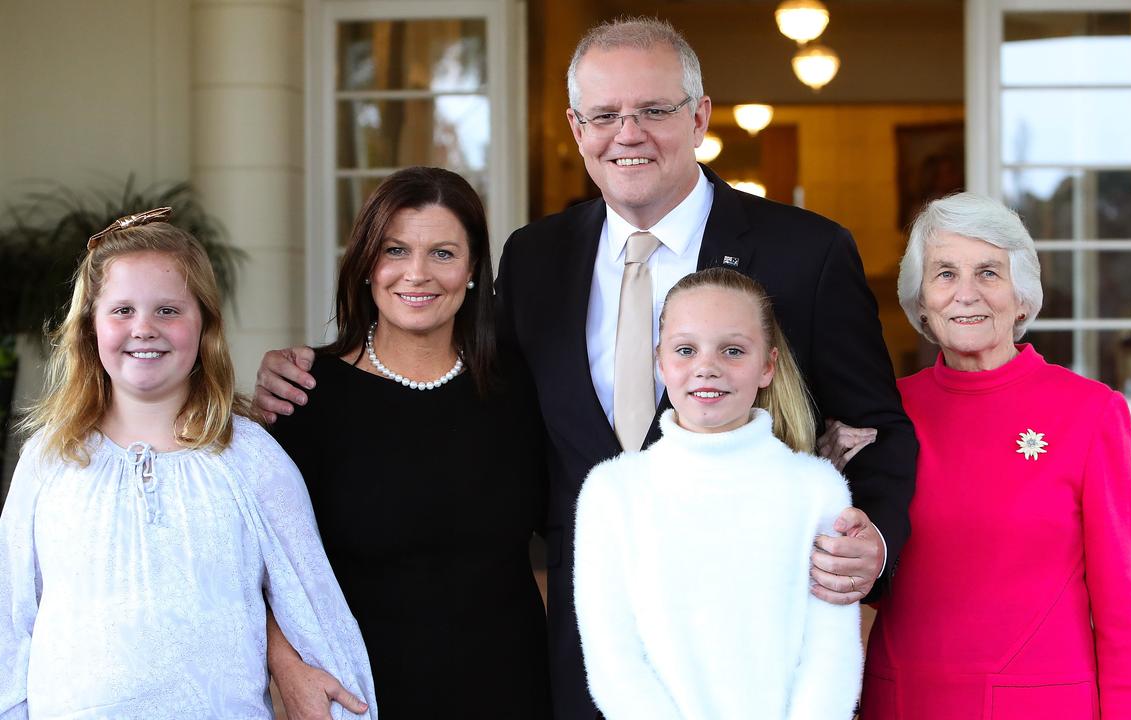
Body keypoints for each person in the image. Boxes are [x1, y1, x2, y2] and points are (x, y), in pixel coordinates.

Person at [254, 18, 916, 718]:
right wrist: (316, 372)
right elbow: (472, 411)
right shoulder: (537, 256)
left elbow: (878, 430)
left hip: (748, 641)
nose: (627, 134)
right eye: (605, 115)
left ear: (699, 117)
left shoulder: (805, 254)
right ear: (576, 128)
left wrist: (871, 539)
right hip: (575, 654)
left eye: (654, 110)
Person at [0, 211, 375, 718]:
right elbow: (11, 618)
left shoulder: (249, 457)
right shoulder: (51, 457)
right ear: (89, 327)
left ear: (205, 324)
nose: (144, 328)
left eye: (169, 310)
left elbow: (314, 608)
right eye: (122, 310)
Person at [823, 192, 1131, 718]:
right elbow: (869, 574)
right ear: (921, 304)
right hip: (907, 697)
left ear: (1022, 297)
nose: (966, 294)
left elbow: (1120, 607)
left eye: (989, 273)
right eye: (945, 274)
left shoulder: (1090, 412)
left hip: (1044, 702)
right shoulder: (885, 414)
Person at [265, 167, 550, 718]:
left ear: (471, 270)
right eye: (395, 250)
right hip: (363, 696)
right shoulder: (305, 396)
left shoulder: (520, 387)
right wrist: (289, 670)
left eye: (443, 253)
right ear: (367, 264)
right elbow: (260, 565)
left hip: (512, 690)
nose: (416, 274)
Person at [574, 268, 862, 720]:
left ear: (767, 366)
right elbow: (614, 662)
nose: (707, 367)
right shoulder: (613, 492)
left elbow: (831, 656)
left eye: (732, 350)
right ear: (660, 362)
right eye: (686, 349)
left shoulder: (815, 488)